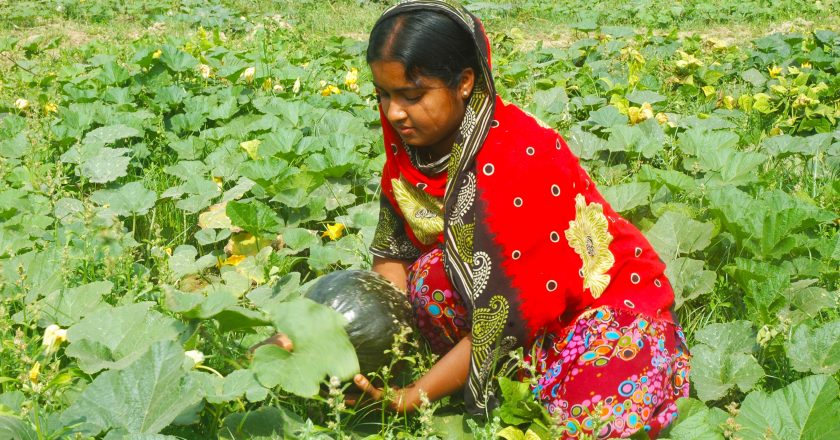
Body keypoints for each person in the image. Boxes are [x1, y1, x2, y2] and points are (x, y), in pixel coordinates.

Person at [346, 1, 691, 438]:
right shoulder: (412, 153)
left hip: (591, 309)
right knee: (428, 280)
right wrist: (382, 345)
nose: (394, 112)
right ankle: (495, 377)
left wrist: (413, 396)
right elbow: (392, 253)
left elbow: (502, 318)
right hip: (498, 310)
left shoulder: (517, 158)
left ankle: (505, 378)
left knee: (602, 402)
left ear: (465, 83)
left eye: (412, 96)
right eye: (384, 94)